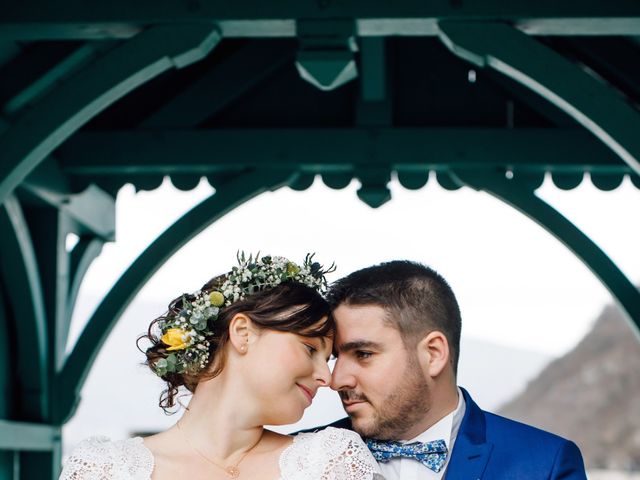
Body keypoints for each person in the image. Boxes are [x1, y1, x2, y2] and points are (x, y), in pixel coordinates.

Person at [60, 253, 382, 480]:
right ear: (242, 333)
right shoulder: (103, 470)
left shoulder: (329, 464)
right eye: (310, 348)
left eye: (327, 360)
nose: (326, 377)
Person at [325, 260, 587, 479]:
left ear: (433, 354)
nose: (336, 380)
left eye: (363, 354)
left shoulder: (545, 464)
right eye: (335, 357)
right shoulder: (296, 458)